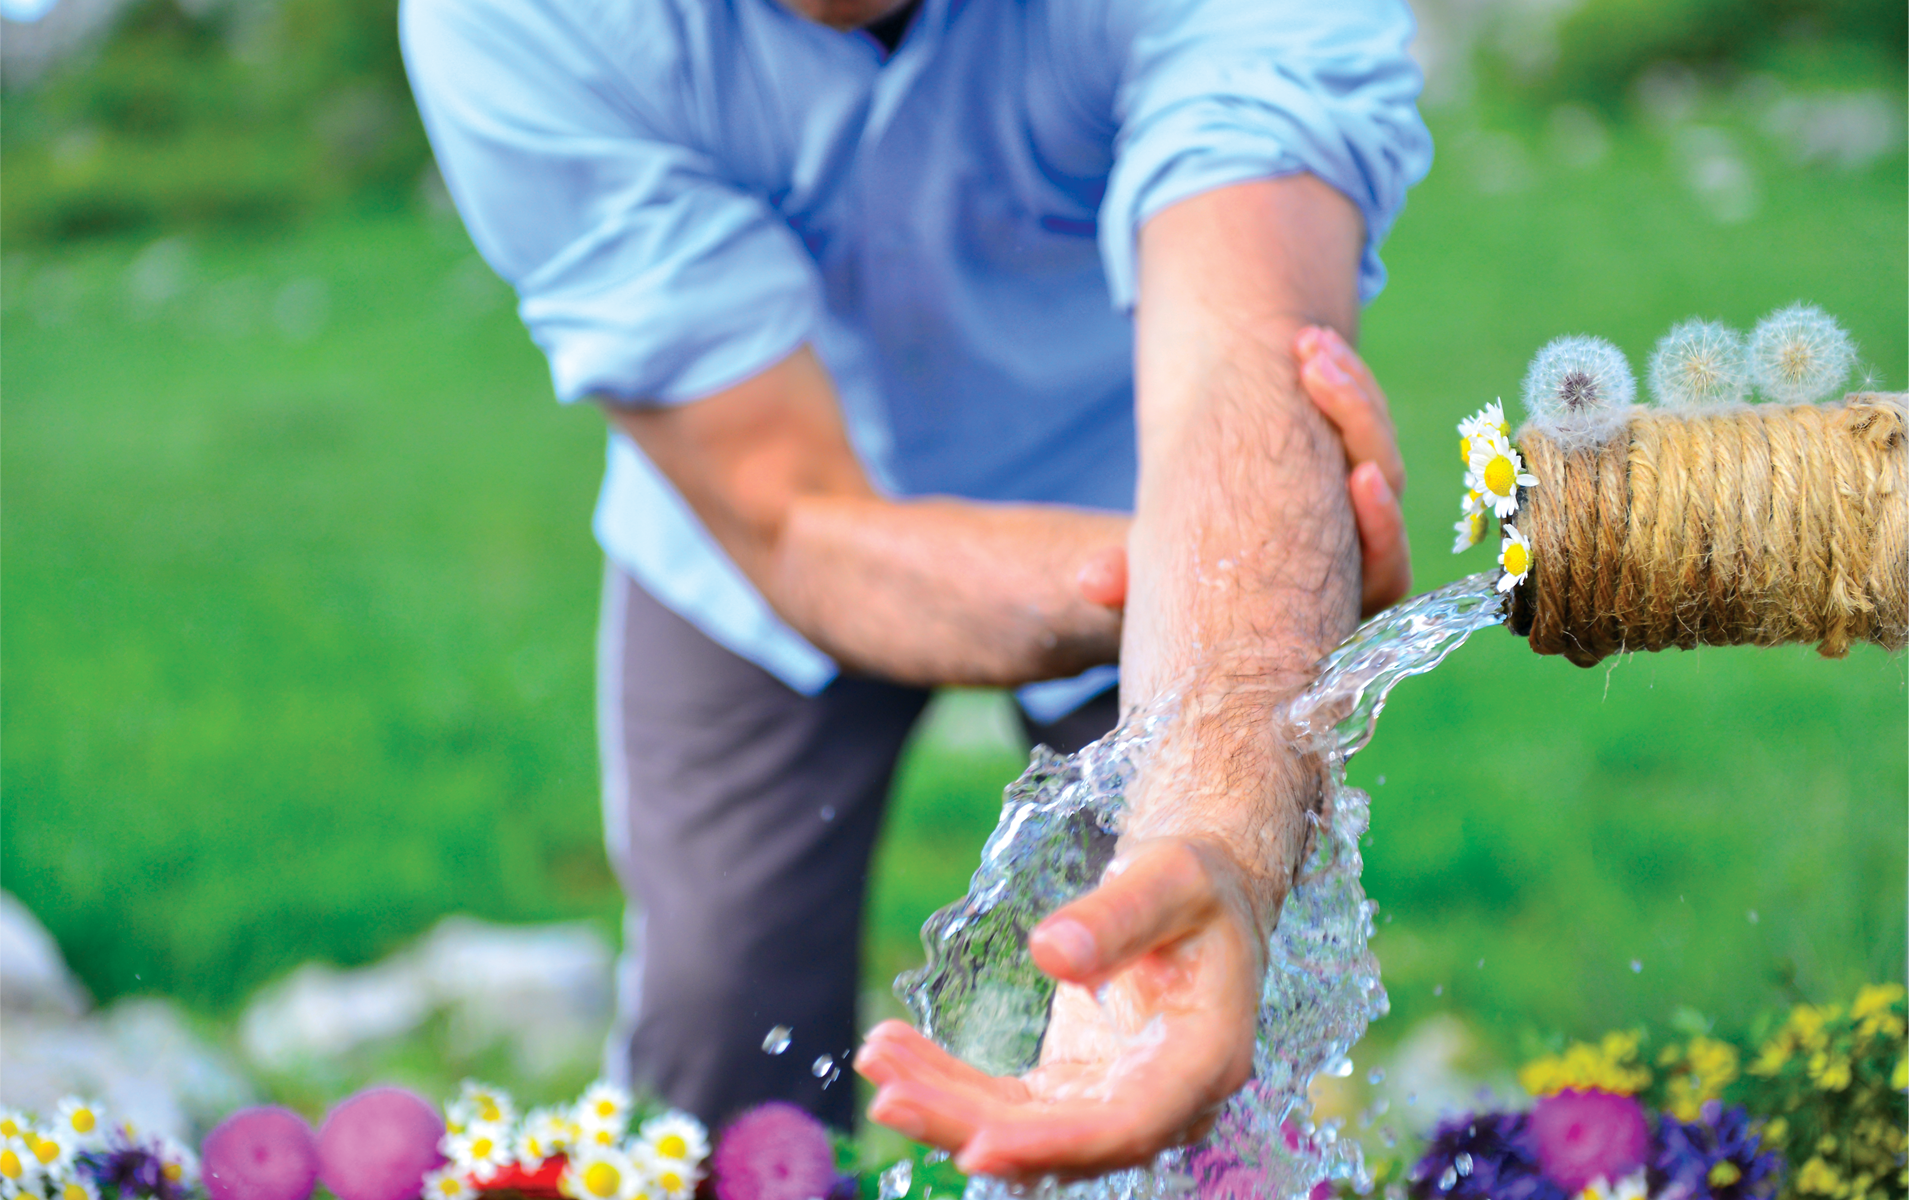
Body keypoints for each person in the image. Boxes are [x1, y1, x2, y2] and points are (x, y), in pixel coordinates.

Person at [400, 0, 1430, 1177]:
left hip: (1150, 474)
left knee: (1192, 1029)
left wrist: (1239, 625)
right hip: (750, 533)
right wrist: (1237, 579)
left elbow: (1245, 353)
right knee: (719, 1036)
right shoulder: (523, 18)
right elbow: (793, 516)